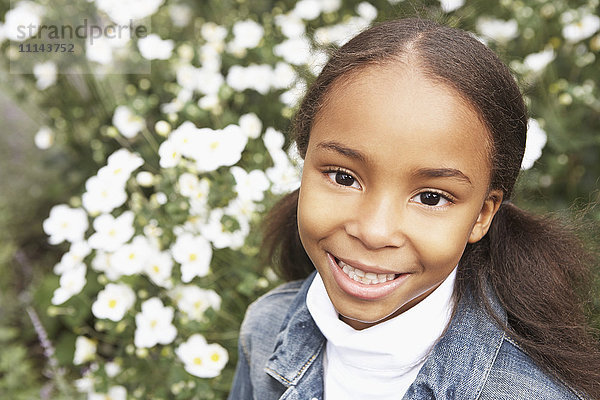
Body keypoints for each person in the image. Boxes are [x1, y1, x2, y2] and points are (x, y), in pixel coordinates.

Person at [228, 18, 600, 400]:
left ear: (482, 215)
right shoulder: (265, 328)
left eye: (431, 198)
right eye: (342, 177)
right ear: (304, 163)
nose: (374, 231)